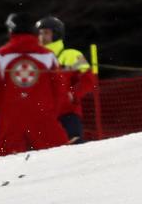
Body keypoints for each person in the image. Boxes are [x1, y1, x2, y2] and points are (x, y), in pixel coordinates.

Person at [0, 12, 69, 157]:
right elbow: (59, 88)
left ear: (11, 30)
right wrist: (53, 112)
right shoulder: (47, 55)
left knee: (8, 161)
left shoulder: (1, 55)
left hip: (10, 116)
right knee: (57, 157)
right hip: (43, 113)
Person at [36, 15, 97, 143]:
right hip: (42, 117)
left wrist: (73, 94)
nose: (41, 37)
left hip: (67, 114)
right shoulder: (34, 59)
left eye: (46, 33)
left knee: (74, 152)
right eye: (39, 33)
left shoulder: (72, 55)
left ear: (57, 34)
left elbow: (89, 80)